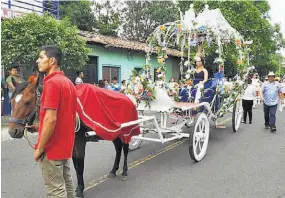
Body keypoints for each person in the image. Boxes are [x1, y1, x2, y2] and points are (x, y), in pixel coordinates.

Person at [27, 45, 76, 197]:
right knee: (67, 185)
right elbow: (64, 115)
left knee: (55, 191)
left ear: (52, 61)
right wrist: (38, 126)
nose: (38, 61)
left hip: (52, 148)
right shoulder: (67, 82)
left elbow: (51, 119)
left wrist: (40, 148)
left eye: (41, 57)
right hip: (64, 147)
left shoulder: (51, 83)